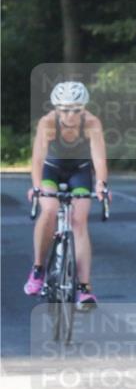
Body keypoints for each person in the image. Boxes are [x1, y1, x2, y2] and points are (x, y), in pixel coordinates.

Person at [24, 81, 110, 307]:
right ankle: (38, 269)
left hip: (79, 172)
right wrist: (36, 186)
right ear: (55, 107)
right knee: (50, 210)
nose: (69, 114)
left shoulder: (92, 123)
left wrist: (101, 185)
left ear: (84, 108)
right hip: (51, 170)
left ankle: (84, 288)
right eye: (64, 109)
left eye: (75, 109)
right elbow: (37, 158)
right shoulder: (48, 123)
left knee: (79, 221)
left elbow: (99, 159)